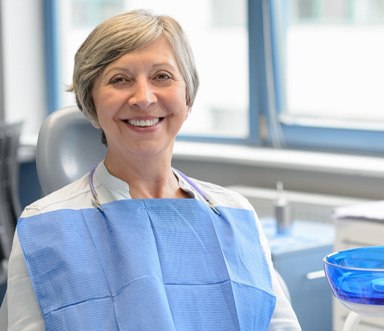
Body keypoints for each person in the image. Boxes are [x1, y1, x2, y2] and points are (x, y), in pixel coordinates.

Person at [0, 9, 301, 330]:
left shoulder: (234, 215)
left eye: (162, 76)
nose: (143, 98)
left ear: (187, 96)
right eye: (120, 79)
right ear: (91, 102)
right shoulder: (46, 227)